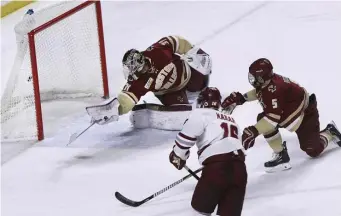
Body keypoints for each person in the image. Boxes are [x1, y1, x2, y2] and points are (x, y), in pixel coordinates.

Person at [221, 58, 341, 172]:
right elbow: (260, 93)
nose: (251, 79)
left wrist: (254, 130)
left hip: (305, 115)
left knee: (313, 150)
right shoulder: (267, 82)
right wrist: (242, 98)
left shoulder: (274, 89)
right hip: (288, 112)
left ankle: (330, 132)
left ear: (263, 77)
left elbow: (272, 119)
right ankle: (281, 154)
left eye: (254, 76)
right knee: (263, 120)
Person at [86, 35, 212, 130]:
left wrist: (194, 51)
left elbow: (178, 41)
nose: (130, 72)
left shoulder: (157, 51)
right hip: (169, 93)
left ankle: (199, 93)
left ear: (140, 64)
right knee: (180, 112)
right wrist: (114, 111)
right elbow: (126, 101)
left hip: (187, 75)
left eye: (131, 68)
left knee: (202, 85)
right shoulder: (136, 81)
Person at [169, 87, 247, 216]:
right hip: (240, 170)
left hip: (216, 169)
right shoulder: (230, 119)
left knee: (200, 212)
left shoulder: (200, 114)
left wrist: (178, 156)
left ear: (202, 102)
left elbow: (184, 141)